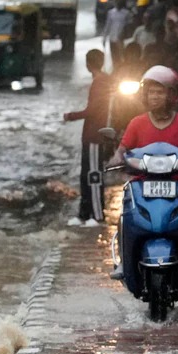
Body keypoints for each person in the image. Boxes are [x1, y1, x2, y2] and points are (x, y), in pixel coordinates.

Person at [110, 66, 178, 282]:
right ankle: (124, 261)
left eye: (160, 92)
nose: (155, 97)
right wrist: (116, 159)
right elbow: (122, 149)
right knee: (124, 215)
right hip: (141, 184)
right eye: (151, 92)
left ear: (171, 95)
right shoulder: (136, 123)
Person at [62, 49, 115, 225]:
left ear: (88, 64)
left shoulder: (99, 83)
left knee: (93, 176)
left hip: (94, 136)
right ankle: (84, 214)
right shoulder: (102, 81)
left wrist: (71, 116)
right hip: (91, 135)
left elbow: (92, 110)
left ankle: (97, 216)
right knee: (85, 176)